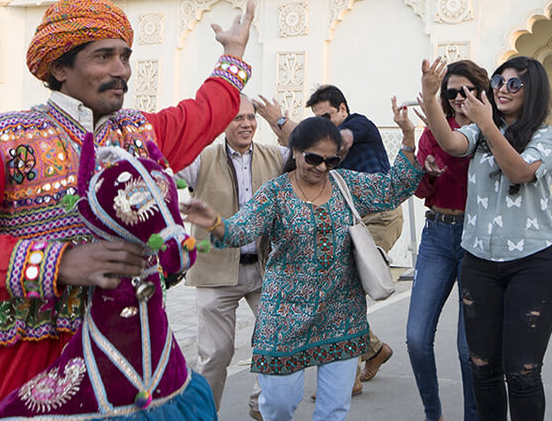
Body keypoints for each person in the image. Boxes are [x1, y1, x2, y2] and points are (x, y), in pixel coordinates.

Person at [0, 0, 255, 421]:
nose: (121, 70)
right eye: (104, 57)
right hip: (16, 353)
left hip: (121, 352)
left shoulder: (141, 134)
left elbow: (204, 114)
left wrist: (233, 54)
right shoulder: (1, 138)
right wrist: (59, 263)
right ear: (59, 68)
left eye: (125, 56)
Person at [180, 108, 425, 421]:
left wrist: (407, 138)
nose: (322, 167)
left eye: (331, 160)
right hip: (284, 318)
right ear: (295, 152)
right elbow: (241, 229)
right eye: (313, 159)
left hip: (341, 313)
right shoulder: (275, 193)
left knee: (334, 410)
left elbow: (393, 189)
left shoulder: (345, 184)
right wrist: (214, 222)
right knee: (278, 405)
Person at [418, 56, 552, 421]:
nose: (502, 88)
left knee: (522, 373)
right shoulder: (480, 130)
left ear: (533, 93)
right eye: (500, 80)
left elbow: (518, 171)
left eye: (514, 83)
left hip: (533, 265)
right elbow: (451, 143)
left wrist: (486, 123)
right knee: (482, 369)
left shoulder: (545, 137)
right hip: (479, 263)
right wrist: (430, 94)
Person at [255, 86, 397, 385]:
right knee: (336, 286)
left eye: (328, 116)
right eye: (318, 118)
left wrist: (281, 121)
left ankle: (353, 363)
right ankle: (367, 354)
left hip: (376, 217)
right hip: (350, 218)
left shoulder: (358, 125)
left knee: (343, 285)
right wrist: (276, 123)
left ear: (343, 109)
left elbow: (334, 142)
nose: (325, 124)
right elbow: (300, 148)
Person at [178, 99, 287, 420]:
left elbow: (310, 147)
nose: (246, 124)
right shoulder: (203, 160)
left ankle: (261, 406)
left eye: (251, 118)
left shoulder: (274, 156)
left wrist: (279, 120)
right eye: (238, 118)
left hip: (266, 269)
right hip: (216, 272)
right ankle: (203, 414)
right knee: (215, 354)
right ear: (224, 123)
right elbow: (168, 160)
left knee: (277, 343)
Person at [406, 60, 491, 421]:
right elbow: (423, 191)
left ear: (480, 90)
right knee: (416, 338)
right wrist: (425, 172)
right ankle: (433, 413)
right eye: (452, 92)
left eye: (466, 90)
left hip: (477, 240)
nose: (459, 97)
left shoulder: (492, 130)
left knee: (466, 349)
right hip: (438, 234)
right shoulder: (434, 132)